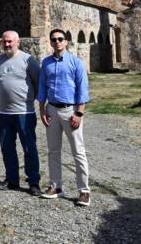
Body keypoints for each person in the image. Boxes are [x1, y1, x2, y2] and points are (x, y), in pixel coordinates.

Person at [38, 28, 91, 207]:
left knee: (78, 152)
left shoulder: (76, 63)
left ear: (66, 41)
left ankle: (84, 191)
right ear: (51, 43)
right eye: (54, 40)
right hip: (51, 110)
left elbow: (82, 89)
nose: (57, 42)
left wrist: (79, 113)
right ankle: (56, 187)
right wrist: (42, 110)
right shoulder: (46, 63)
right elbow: (42, 87)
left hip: (71, 111)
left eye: (60, 39)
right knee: (53, 151)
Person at [0, 30, 42, 196]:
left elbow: (37, 82)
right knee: (7, 148)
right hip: (4, 113)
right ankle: (12, 179)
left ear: (18, 42)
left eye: (10, 41)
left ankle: (33, 182)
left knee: (29, 148)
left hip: (24, 112)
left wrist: (27, 100)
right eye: (4, 42)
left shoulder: (28, 60)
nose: (7, 44)